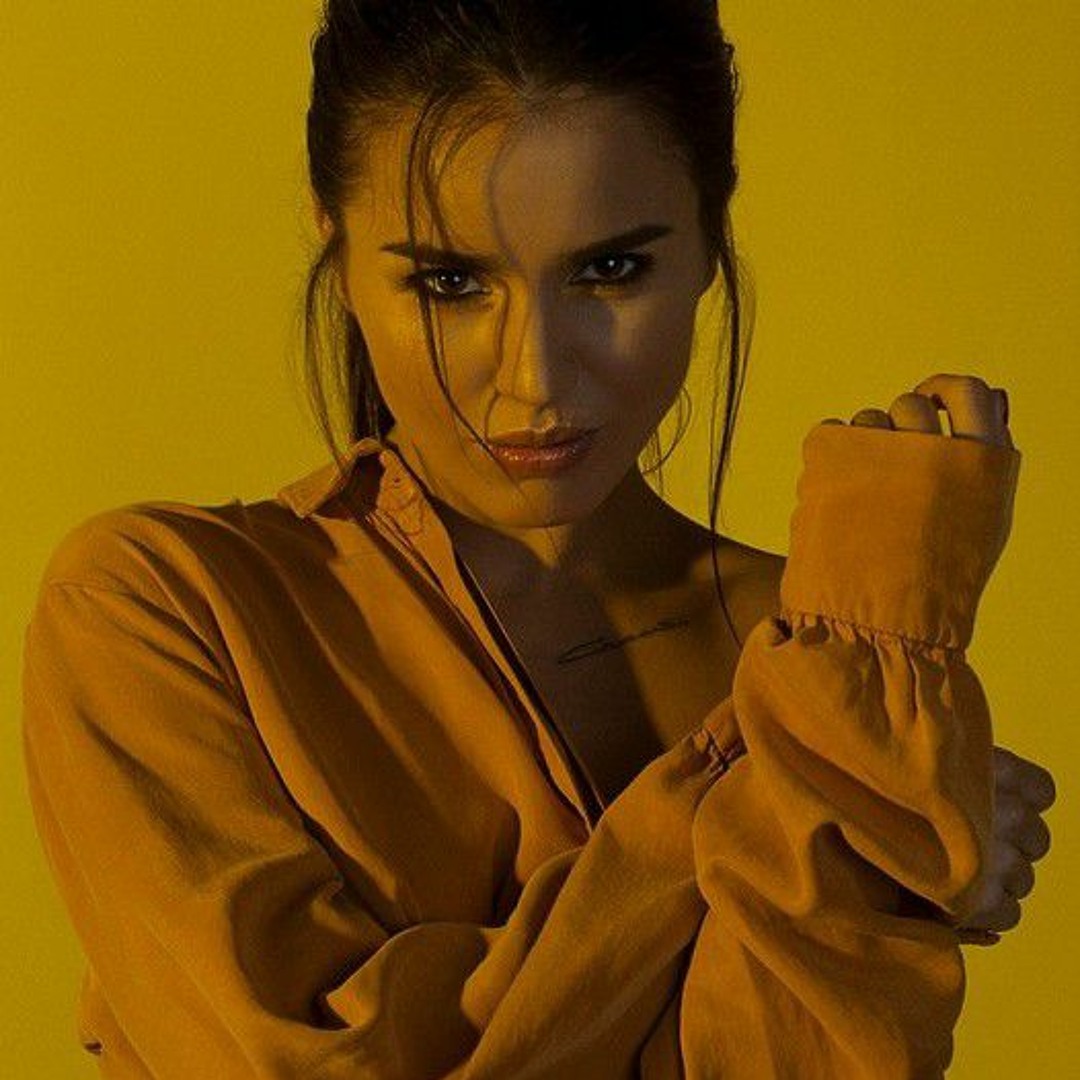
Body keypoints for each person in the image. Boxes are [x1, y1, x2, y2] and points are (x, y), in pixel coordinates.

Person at [20, 1, 1055, 1076]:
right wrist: (828, 813)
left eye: (611, 272)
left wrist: (863, 699)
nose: (536, 378)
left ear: (710, 238)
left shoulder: (820, 656)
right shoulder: (162, 611)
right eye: (450, 283)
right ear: (336, 245)